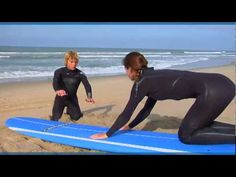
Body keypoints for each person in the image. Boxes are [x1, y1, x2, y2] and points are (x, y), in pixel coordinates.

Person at [91, 51, 235, 145]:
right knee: (200, 123)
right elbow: (146, 110)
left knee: (186, 135)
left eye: (125, 69)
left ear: (130, 69)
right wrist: (129, 126)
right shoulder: (153, 77)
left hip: (213, 91)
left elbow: (126, 113)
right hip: (222, 82)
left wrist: (107, 134)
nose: (125, 73)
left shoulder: (141, 83)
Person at [51, 50, 95, 121]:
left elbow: (87, 85)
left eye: (75, 62)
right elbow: (55, 82)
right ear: (66, 61)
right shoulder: (59, 71)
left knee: (76, 117)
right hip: (60, 98)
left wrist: (89, 96)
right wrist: (58, 90)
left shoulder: (80, 74)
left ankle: (69, 112)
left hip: (72, 99)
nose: (74, 64)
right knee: (55, 118)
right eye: (71, 62)